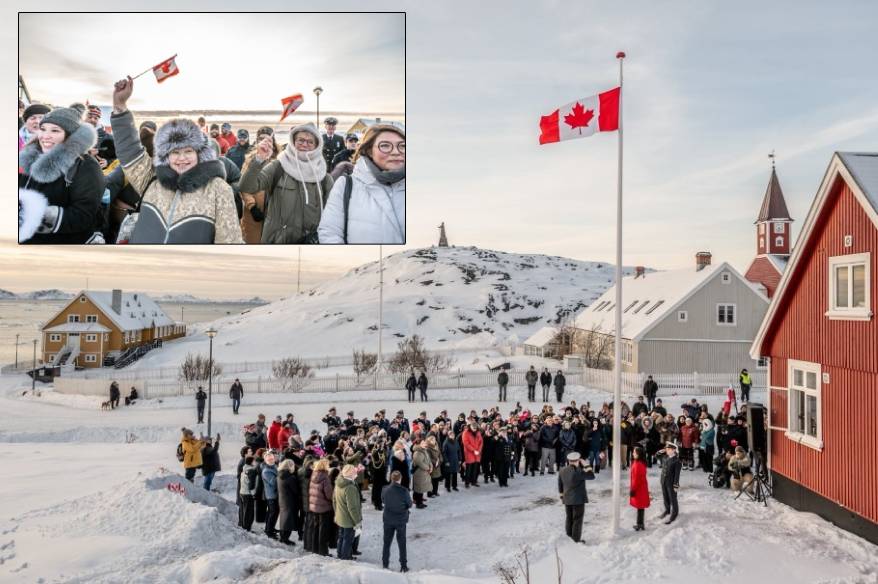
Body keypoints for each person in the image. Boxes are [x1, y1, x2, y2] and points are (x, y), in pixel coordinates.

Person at [109, 77, 243, 243]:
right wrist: (119, 106)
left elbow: (229, 243)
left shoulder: (218, 189)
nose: (181, 158)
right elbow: (129, 151)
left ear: (200, 154)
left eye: (188, 151)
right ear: (166, 156)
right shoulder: (152, 181)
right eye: (174, 152)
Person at [18, 107, 106, 244]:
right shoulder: (31, 157)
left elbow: (84, 215)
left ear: (70, 135)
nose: (45, 136)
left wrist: (32, 218)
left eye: (55, 130)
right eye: (43, 129)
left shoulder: (86, 166)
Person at [240, 123, 333, 244]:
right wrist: (259, 159)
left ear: (317, 146)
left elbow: (331, 217)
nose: (304, 144)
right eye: (300, 140)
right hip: (277, 243)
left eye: (310, 142)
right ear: (293, 142)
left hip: (310, 246)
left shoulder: (324, 179)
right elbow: (247, 187)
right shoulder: (278, 167)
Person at [317, 124, 405, 244]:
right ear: (369, 150)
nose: (396, 152)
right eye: (385, 145)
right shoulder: (346, 186)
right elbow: (329, 232)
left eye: (402, 146)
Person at [239, 126, 279, 244]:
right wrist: (252, 206)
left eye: (269, 139)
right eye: (262, 139)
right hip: (253, 214)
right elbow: (244, 186)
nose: (265, 142)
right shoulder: (250, 160)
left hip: (273, 212)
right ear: (257, 141)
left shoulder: (279, 161)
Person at [381, 470, 411, 572]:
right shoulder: (404, 491)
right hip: (400, 520)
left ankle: (385, 564)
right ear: (400, 479)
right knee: (402, 543)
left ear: (391, 478)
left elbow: (383, 500)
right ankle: (403, 565)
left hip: (388, 519)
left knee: (386, 543)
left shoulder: (385, 489)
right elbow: (410, 504)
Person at [558, 452, 591, 543]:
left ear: (568, 461)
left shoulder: (562, 470)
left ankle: (569, 538)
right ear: (577, 461)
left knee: (569, 518)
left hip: (567, 499)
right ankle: (575, 540)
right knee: (577, 520)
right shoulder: (579, 471)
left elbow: (560, 485)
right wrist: (586, 465)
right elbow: (592, 476)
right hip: (578, 500)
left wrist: (562, 496)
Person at [333, 464, 363, 560]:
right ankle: (345, 556)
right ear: (351, 474)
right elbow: (352, 508)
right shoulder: (350, 488)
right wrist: (357, 521)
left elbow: (334, 500)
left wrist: (337, 513)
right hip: (348, 519)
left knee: (342, 537)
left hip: (340, 516)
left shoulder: (338, 483)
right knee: (348, 538)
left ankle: (340, 553)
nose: (356, 473)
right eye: (355, 471)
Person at [308, 458, 335, 556]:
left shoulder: (314, 475)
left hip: (314, 506)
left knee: (316, 529)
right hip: (324, 508)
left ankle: (315, 549)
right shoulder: (325, 477)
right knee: (323, 531)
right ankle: (323, 552)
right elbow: (329, 495)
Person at [277, 459, 300, 545]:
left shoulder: (280, 475)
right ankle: (285, 538)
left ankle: (283, 536)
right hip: (290, 500)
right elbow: (295, 490)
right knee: (288, 519)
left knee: (283, 517)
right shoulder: (290, 477)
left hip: (282, 499)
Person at [659, 442, 682, 524]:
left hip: (671, 483)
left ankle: (674, 513)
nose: (667, 451)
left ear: (674, 450)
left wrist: (676, 485)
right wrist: (659, 452)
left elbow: (677, 475)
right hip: (663, 481)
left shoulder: (677, 461)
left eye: (668, 449)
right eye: (666, 449)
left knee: (673, 499)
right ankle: (667, 510)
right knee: (666, 498)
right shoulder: (665, 457)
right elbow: (657, 456)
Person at [629, 445, 650, 531]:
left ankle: (640, 524)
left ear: (638, 454)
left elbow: (636, 479)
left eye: (634, 452)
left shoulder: (638, 464)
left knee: (640, 506)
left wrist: (633, 490)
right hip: (641, 488)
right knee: (640, 507)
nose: (633, 453)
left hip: (638, 489)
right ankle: (640, 524)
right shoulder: (640, 462)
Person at [262, 451, 279, 539]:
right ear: (266, 460)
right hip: (271, 495)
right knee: (273, 512)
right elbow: (273, 482)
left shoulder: (274, 467)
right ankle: (269, 531)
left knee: (273, 512)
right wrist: (280, 475)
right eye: (269, 459)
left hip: (275, 494)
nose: (271, 460)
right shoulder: (266, 471)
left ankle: (270, 528)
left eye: (272, 458)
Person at [461, 422, 483, 488]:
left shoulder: (478, 432)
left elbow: (481, 442)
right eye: (473, 428)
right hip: (469, 453)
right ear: (470, 427)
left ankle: (474, 481)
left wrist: (478, 450)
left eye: (476, 428)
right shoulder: (465, 433)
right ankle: (467, 483)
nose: (474, 429)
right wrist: (474, 450)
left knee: (475, 469)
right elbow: (466, 443)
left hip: (477, 454)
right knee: (469, 469)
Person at [239, 455, 257, 531]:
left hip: (242, 492)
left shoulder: (244, 469)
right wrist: (254, 494)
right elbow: (251, 485)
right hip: (248, 494)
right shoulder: (251, 470)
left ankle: (244, 526)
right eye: (254, 461)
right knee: (249, 512)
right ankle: (247, 528)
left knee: (244, 511)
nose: (255, 462)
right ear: (252, 462)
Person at [411, 441, 432, 509]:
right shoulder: (417, 452)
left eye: (425, 443)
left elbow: (428, 460)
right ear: (419, 444)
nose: (425, 444)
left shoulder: (424, 450)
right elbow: (420, 463)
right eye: (422, 443)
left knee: (422, 487)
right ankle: (418, 503)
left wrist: (431, 466)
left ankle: (420, 501)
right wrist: (428, 468)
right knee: (419, 488)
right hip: (419, 473)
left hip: (424, 472)